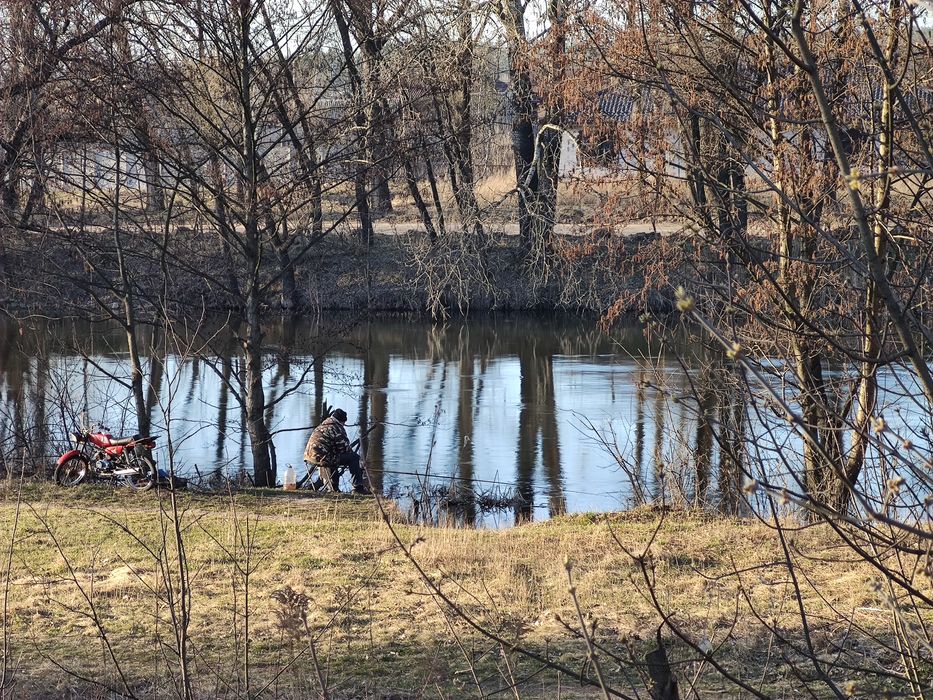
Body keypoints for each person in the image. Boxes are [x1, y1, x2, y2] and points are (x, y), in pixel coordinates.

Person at [303, 408, 368, 493]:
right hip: (323, 458)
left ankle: (327, 487)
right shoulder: (336, 428)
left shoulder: (322, 425)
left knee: (332, 458)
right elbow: (343, 448)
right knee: (354, 457)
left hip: (309, 457)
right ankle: (358, 487)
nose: (344, 425)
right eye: (344, 423)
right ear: (342, 421)